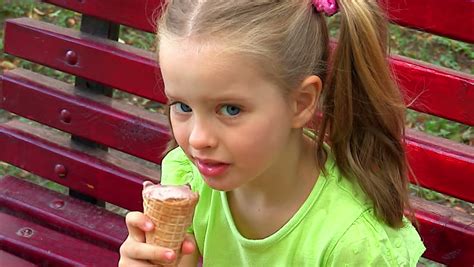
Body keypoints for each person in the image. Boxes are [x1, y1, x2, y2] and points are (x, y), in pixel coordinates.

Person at [119, 0, 426, 266]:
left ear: (300, 103)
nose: (198, 139)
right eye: (182, 106)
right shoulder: (188, 176)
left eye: (230, 109)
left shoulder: (354, 242)